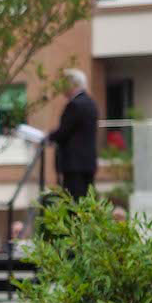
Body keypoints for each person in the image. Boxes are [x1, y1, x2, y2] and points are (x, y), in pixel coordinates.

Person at [49, 68, 99, 202]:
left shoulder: (75, 105)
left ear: (74, 84)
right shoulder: (90, 103)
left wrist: (47, 137)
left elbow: (64, 131)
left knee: (73, 203)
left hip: (74, 164)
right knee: (86, 202)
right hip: (87, 163)